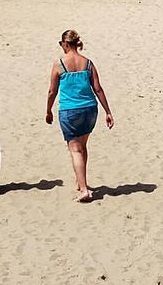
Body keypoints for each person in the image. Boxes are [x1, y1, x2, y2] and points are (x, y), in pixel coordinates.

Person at [45, 29, 114, 203]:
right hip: (90, 109)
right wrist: (108, 111)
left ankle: (83, 190)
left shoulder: (59, 64)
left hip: (70, 111)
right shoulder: (88, 63)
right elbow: (98, 89)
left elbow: (52, 91)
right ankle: (80, 181)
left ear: (65, 44)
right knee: (82, 145)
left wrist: (48, 110)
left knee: (75, 149)